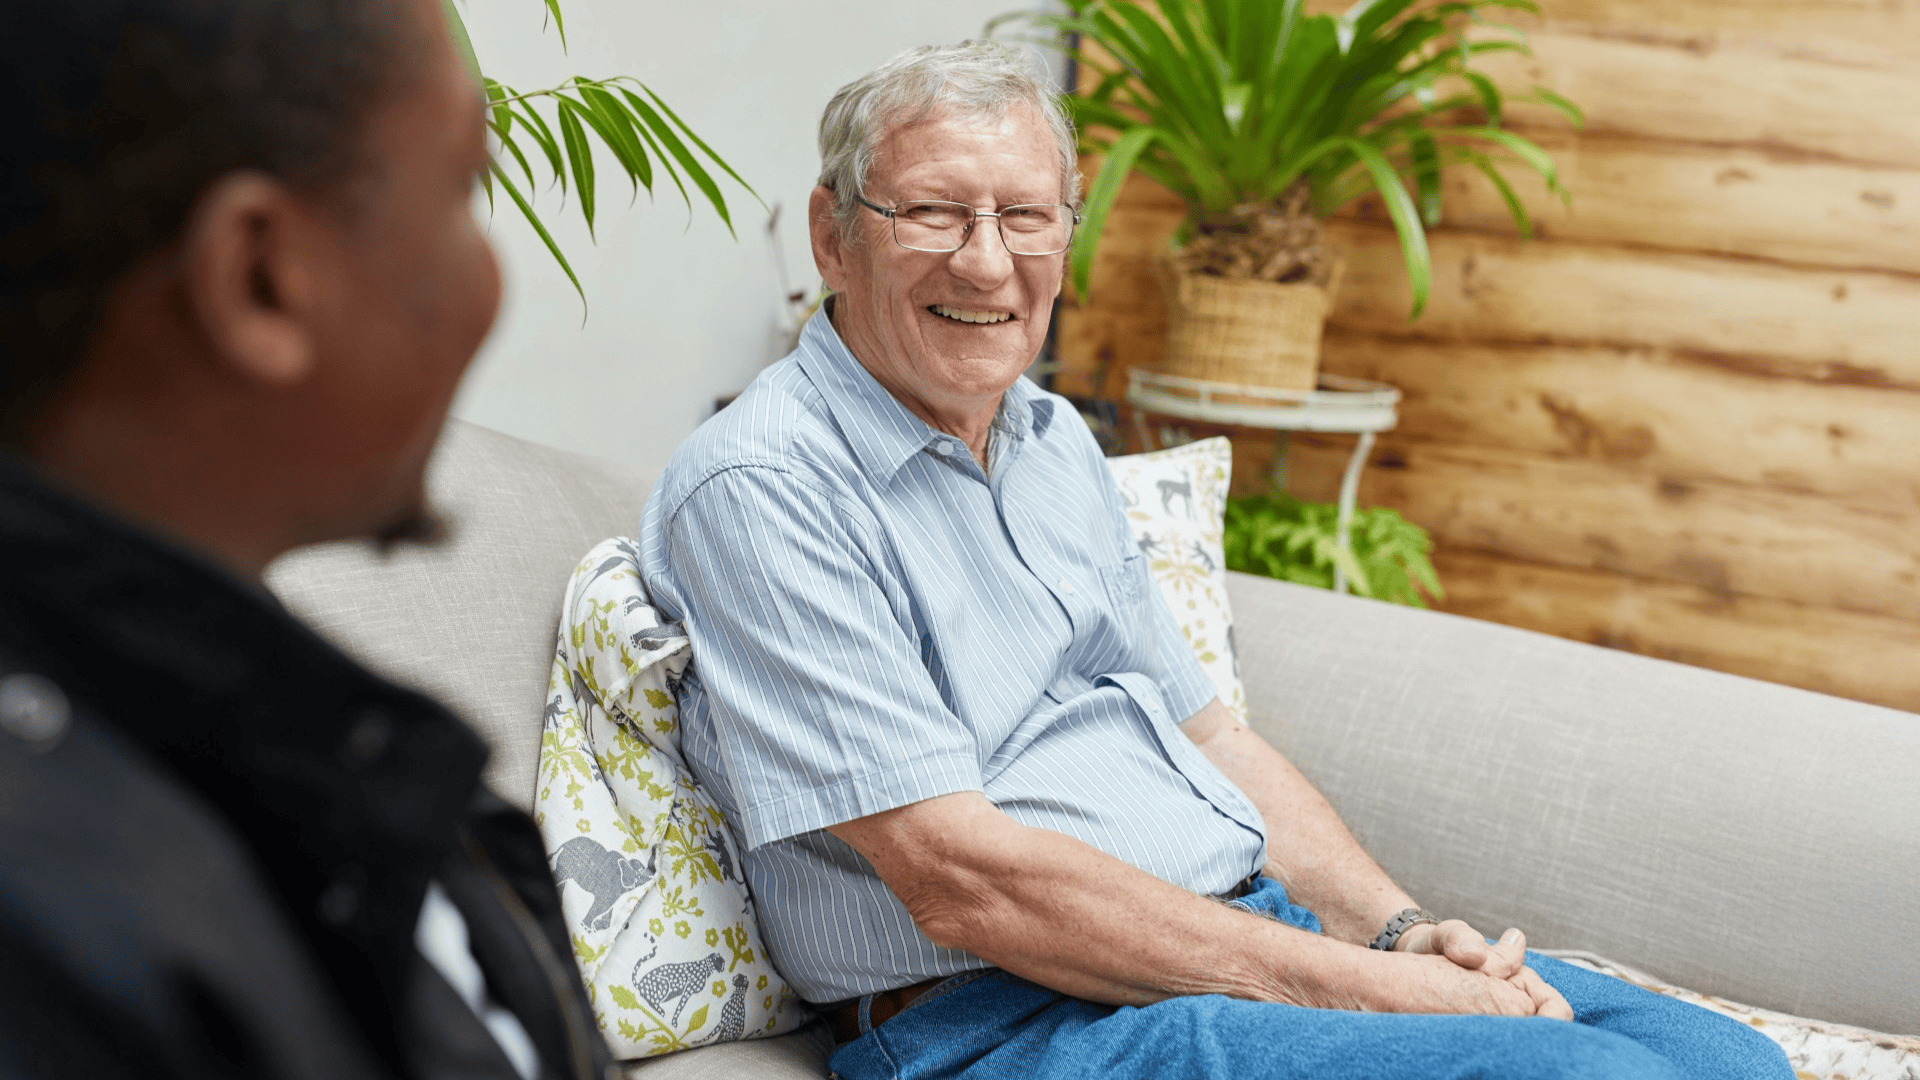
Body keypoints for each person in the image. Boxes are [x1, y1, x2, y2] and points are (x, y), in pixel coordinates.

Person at [636, 41, 1793, 1080]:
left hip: (1236, 938)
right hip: (1005, 1019)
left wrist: (1395, 930)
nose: (988, 265)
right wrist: (1382, 995)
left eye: (1027, 217)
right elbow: (959, 875)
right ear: (834, 235)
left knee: (1714, 1055)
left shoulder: (1053, 441)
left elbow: (1211, 736)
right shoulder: (765, 487)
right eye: (934, 214)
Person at [0, 2, 612, 1078]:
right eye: (464, 192)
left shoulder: (239, 726)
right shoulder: (73, 929)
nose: (490, 286)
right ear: (262, 281)